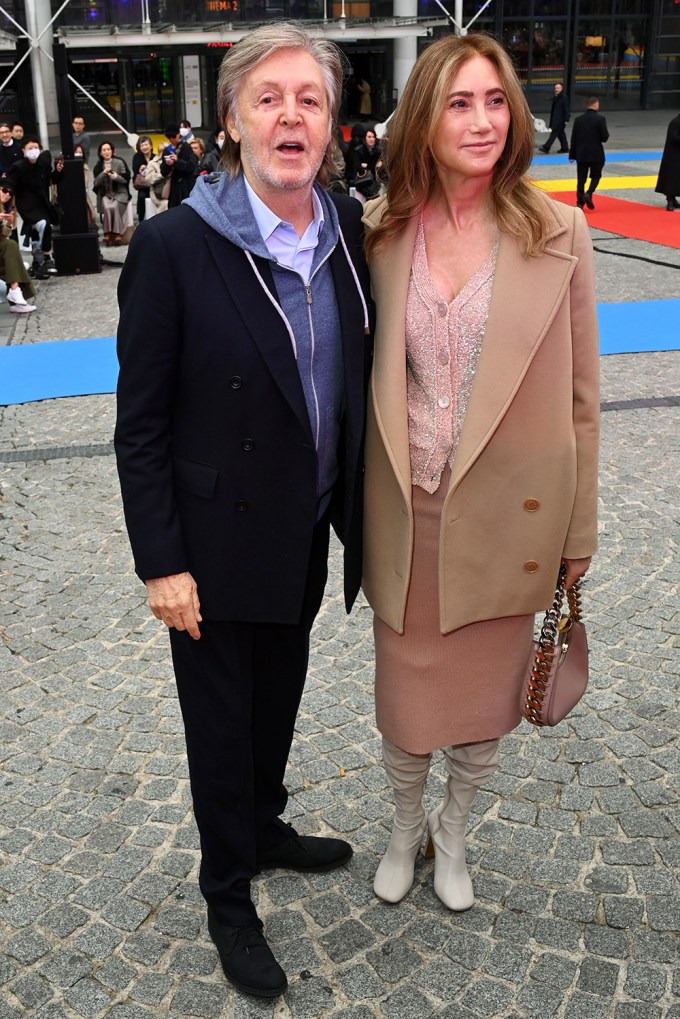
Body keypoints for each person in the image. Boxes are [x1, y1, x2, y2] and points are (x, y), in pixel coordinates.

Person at [114, 22, 372, 1000]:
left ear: (331, 119)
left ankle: (263, 822)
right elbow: (138, 424)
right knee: (220, 727)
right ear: (232, 121)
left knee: (277, 705)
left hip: (302, 529)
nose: (288, 115)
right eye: (266, 98)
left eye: (307, 97)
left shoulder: (346, 225)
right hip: (210, 547)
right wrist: (159, 563)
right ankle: (227, 891)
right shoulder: (175, 245)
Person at [361, 32, 599, 914]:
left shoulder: (558, 230)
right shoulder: (381, 230)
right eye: (460, 102)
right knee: (405, 698)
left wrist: (579, 535)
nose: (483, 120)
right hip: (407, 512)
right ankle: (400, 825)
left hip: (511, 517)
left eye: (496, 101)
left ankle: (455, 831)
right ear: (424, 114)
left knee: (485, 702)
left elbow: (583, 397)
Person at [7, 138, 64, 279]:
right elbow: (10, 185)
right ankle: (46, 255)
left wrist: (58, 171)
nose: (33, 150)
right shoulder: (18, 166)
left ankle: (39, 261)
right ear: (24, 151)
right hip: (27, 205)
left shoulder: (43, 163)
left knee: (40, 229)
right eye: (30, 147)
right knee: (43, 225)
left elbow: (52, 179)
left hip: (42, 203)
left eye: (35, 147)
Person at [0, 182, 36, 313]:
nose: (7, 195)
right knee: (11, 249)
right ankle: (16, 293)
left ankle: (15, 292)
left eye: (10, 193)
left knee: (11, 250)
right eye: (4, 190)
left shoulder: (5, 209)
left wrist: (8, 224)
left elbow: (3, 236)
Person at [569, 96, 609, 209]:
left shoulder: (578, 120)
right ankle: (589, 193)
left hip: (581, 153)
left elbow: (574, 138)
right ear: (595, 105)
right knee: (596, 175)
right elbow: (604, 137)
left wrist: (572, 154)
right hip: (596, 154)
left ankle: (580, 202)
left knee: (581, 179)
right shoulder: (600, 119)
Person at [92, 141, 131, 245]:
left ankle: (117, 233)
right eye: (104, 150)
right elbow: (96, 183)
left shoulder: (119, 162)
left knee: (115, 206)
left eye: (108, 149)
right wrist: (103, 174)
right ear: (100, 153)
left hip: (120, 192)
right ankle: (107, 232)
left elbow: (125, 179)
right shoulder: (98, 166)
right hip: (106, 194)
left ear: (113, 151)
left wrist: (115, 176)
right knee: (107, 206)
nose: (106, 152)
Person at [160, 123, 199, 207]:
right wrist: (168, 164)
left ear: (178, 134)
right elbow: (163, 172)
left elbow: (192, 166)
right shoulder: (167, 150)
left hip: (187, 186)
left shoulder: (186, 147)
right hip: (174, 188)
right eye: (169, 137)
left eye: (173, 137)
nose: (171, 139)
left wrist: (177, 161)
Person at [654, 112, 680, 212]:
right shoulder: (675, 122)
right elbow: (673, 138)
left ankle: (673, 199)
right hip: (673, 156)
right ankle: (670, 200)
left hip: (677, 155)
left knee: (676, 178)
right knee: (671, 178)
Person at [538, 82, 570, 154]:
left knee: (554, 133)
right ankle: (565, 148)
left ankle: (547, 147)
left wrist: (566, 119)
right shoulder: (557, 96)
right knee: (561, 134)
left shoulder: (564, 97)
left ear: (561, 88)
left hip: (560, 120)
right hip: (556, 119)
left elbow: (566, 109)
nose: (556, 89)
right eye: (556, 88)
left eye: (558, 88)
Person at [131, 136, 154, 222]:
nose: (144, 147)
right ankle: (141, 219)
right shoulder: (137, 158)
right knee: (142, 196)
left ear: (151, 146)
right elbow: (135, 172)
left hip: (154, 184)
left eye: (146, 145)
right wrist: (141, 169)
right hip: (143, 185)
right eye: (142, 146)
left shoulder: (155, 157)